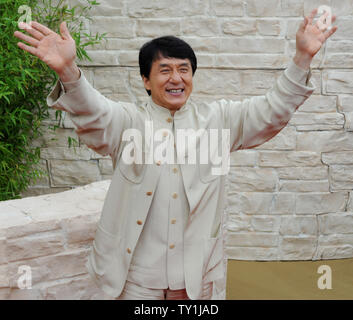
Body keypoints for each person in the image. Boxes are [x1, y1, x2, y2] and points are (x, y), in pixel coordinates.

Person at [14, 8, 337, 300]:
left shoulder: (221, 120)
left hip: (196, 279)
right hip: (135, 278)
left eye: (184, 70)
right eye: (164, 70)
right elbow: (93, 111)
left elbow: (273, 109)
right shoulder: (127, 121)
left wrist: (302, 58)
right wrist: (68, 70)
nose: (176, 78)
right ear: (146, 81)